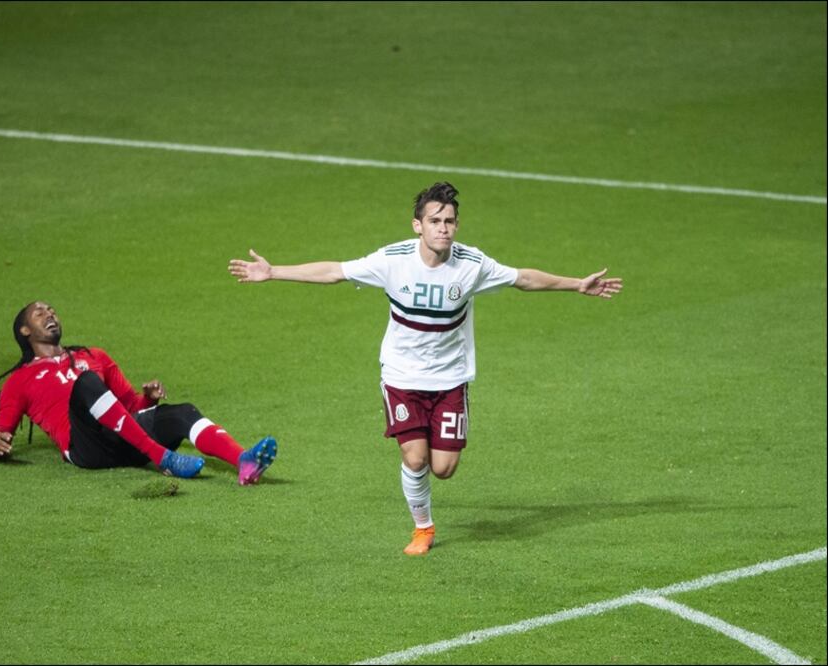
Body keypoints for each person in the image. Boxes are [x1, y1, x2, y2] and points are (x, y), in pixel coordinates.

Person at [228, 182, 622, 555]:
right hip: (401, 377)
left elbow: (524, 279)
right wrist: (274, 271)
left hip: (451, 379)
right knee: (415, 459)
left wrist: (576, 284)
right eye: (435, 221)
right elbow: (335, 271)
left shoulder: (472, 265)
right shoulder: (392, 260)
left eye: (449, 221)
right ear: (418, 225)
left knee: (444, 468)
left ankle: (427, 504)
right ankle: (424, 527)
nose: (443, 229)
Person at [0, 301, 278, 484]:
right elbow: (1, 438)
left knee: (182, 412)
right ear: (24, 331)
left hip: (125, 440)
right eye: (40, 313)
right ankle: (162, 458)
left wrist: (148, 399)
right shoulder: (19, 381)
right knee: (86, 384)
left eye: (52, 310)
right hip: (87, 449)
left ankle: (244, 461)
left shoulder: (94, 356)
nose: (50, 315)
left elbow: (128, 408)